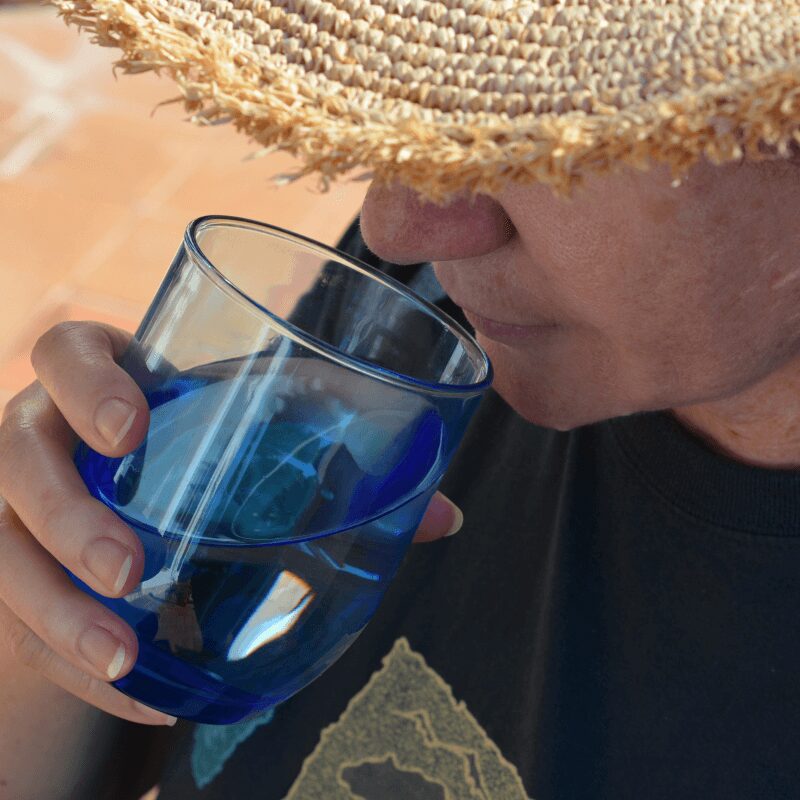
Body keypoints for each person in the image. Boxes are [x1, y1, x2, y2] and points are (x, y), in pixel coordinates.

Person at [3, 1, 800, 798]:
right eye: (429, 99)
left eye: (545, 125)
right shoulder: (430, 327)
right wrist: (48, 593)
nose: (394, 224)